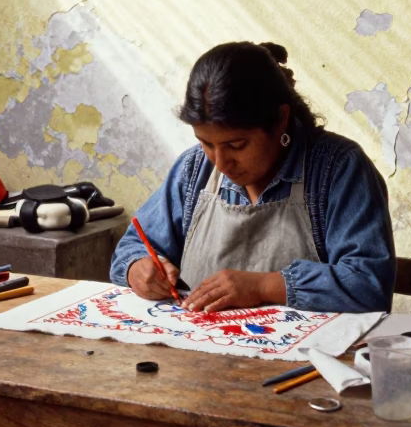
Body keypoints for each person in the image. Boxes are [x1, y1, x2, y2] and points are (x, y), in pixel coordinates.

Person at [110, 41, 396, 313]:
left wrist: (264, 286)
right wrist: (138, 267)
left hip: (309, 358)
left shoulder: (338, 169)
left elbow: (369, 282)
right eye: (207, 143)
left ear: (280, 119)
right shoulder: (194, 169)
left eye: (236, 145)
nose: (220, 163)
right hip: (201, 353)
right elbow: (133, 246)